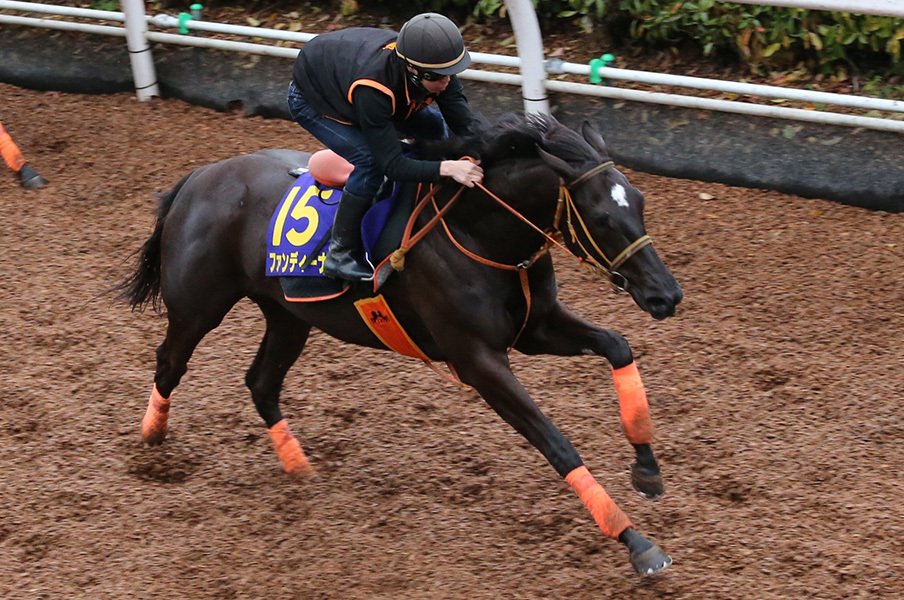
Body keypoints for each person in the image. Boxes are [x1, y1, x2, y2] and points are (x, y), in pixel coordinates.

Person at [287, 12, 484, 281]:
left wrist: (482, 152)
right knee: (370, 162)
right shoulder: (373, 89)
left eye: (451, 73)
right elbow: (391, 165)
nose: (447, 82)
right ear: (413, 70)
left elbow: (463, 123)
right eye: (439, 78)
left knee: (436, 129)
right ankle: (340, 254)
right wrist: (448, 167)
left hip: (352, 77)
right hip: (315, 99)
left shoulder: (436, 69)